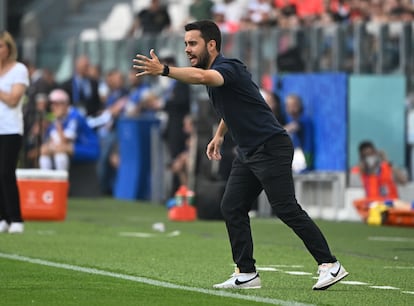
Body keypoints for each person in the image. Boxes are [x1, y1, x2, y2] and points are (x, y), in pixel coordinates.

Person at [133, 19, 348, 290]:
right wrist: (220, 134)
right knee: (231, 206)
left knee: (285, 208)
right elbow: (235, 105)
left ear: (211, 44)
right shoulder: (216, 72)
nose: (187, 49)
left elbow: (201, 78)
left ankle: (330, 264)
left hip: (270, 146)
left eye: (192, 43)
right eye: (185, 43)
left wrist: (164, 70)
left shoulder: (227, 68)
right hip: (249, 151)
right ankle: (246, 273)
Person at [0, 30, 30, 234]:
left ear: (9, 48)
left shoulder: (19, 70)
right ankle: (2, 217)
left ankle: (16, 217)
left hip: (10, 128)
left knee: (6, 172)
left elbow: (13, 99)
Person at [39, 89, 100, 171]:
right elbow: (52, 140)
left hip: (89, 148)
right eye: (52, 104)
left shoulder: (75, 115)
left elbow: (64, 141)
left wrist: (57, 121)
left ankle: (61, 181)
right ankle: (47, 181)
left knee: (60, 149)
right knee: (44, 149)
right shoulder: (57, 117)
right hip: (72, 148)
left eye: (57, 104)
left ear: (65, 104)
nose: (53, 107)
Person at [283, 94, 314, 172]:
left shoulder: (303, 119)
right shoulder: (290, 119)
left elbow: (294, 126)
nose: (291, 108)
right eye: (288, 105)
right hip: (296, 154)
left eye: (294, 105)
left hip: (306, 154)